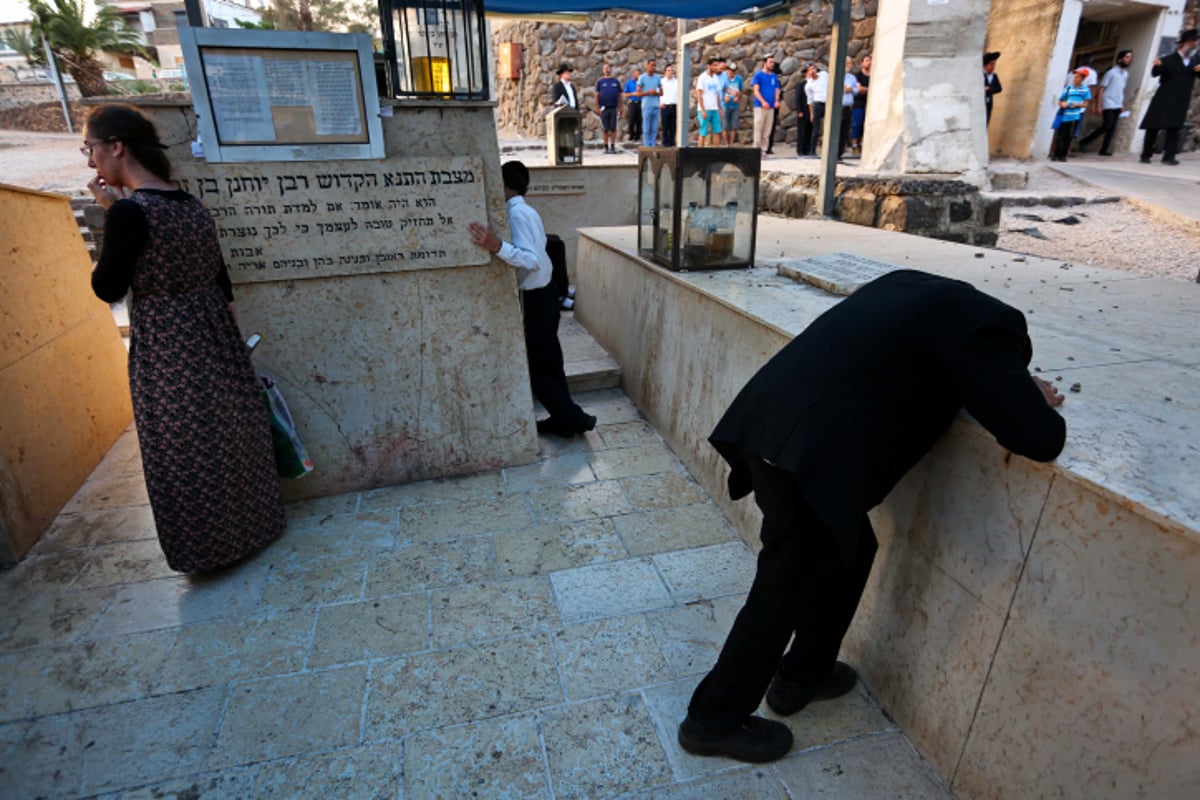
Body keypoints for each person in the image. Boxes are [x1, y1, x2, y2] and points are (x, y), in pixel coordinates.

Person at [677, 269, 1067, 763]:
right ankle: (712, 720)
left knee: (850, 549)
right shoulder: (990, 328)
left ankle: (805, 673)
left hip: (769, 422)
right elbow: (1039, 438)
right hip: (806, 453)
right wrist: (1026, 395)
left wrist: (1000, 381)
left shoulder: (911, 286)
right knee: (785, 582)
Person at [84, 104, 286, 574]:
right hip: (213, 330)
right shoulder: (189, 203)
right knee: (228, 436)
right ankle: (253, 527)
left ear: (116, 147)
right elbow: (220, 277)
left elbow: (107, 288)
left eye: (91, 149)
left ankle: (207, 550)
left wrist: (111, 214)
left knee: (182, 447)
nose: (91, 161)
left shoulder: (130, 213)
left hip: (169, 341)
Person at [467, 162, 596, 438]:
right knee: (550, 363)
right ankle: (563, 420)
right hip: (545, 295)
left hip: (538, 298)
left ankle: (577, 418)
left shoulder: (516, 215)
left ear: (505, 185)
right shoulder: (526, 210)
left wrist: (496, 245)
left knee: (540, 370)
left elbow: (532, 260)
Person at [1139, 28, 1200, 166]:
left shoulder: (1195, 62)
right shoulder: (1168, 59)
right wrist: (1157, 66)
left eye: (1196, 42)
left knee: (1175, 128)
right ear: (1185, 43)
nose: (1195, 45)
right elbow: (1155, 73)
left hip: (1181, 99)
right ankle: (1146, 154)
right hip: (1164, 97)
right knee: (1153, 127)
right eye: (1193, 42)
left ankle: (1169, 156)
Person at [1079, 50, 1132, 156]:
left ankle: (1104, 149)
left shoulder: (1125, 74)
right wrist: (1099, 105)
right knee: (1107, 125)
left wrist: (1122, 105)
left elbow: (1120, 90)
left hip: (1117, 103)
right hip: (1108, 102)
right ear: (1119, 59)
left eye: (1130, 57)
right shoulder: (1111, 73)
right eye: (1127, 57)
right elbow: (1101, 89)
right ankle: (1084, 141)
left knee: (1112, 128)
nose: (1129, 59)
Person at [1051, 68, 1091, 162]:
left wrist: (1077, 105)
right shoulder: (1068, 89)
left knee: (1069, 136)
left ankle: (1063, 155)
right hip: (1065, 114)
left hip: (1076, 115)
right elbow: (1060, 100)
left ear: (1082, 79)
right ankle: (1056, 154)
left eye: (1077, 77)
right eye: (1074, 77)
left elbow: (1086, 104)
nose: (1075, 79)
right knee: (1060, 135)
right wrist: (1063, 104)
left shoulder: (1085, 90)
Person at [751, 55, 781, 155]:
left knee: (767, 130)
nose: (772, 64)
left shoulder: (774, 76)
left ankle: (764, 150)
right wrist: (763, 101)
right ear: (765, 63)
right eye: (770, 62)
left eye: (773, 62)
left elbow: (777, 90)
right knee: (758, 128)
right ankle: (756, 149)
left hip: (771, 107)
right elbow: (756, 90)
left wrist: (776, 100)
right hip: (760, 106)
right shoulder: (758, 75)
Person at [695, 57, 724, 147]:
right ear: (709, 66)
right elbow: (699, 94)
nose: (716, 67)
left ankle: (717, 152)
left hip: (714, 109)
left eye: (717, 65)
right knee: (703, 131)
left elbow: (717, 94)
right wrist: (703, 109)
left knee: (717, 131)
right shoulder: (702, 77)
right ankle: (700, 150)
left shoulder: (716, 78)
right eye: (714, 65)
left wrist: (719, 108)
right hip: (705, 109)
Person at [595, 62, 623, 154]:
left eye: (608, 68)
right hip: (604, 108)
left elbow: (619, 95)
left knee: (613, 128)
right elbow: (596, 95)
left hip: (613, 108)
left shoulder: (615, 81)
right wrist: (597, 108)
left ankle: (613, 147)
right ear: (603, 70)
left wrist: (621, 107)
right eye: (605, 68)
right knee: (605, 129)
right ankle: (606, 147)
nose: (607, 69)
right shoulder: (600, 82)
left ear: (610, 69)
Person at [637, 58, 664, 147]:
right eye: (652, 65)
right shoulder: (642, 78)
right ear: (647, 66)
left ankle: (652, 145)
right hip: (646, 106)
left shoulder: (657, 78)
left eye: (655, 65)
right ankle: (646, 145)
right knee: (646, 128)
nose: (653, 67)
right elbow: (638, 93)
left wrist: (655, 93)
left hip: (655, 105)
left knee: (654, 128)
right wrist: (648, 92)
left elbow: (661, 92)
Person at [838, 57, 859, 160]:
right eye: (848, 63)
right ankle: (834, 152)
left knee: (845, 131)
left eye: (850, 63)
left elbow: (856, 90)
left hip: (847, 107)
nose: (850, 66)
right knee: (837, 130)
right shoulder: (836, 76)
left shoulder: (852, 78)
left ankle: (840, 152)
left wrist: (852, 90)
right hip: (838, 107)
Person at [850, 54, 871, 155]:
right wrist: (870, 89)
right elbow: (859, 89)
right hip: (859, 103)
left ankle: (863, 144)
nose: (869, 62)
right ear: (862, 63)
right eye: (867, 60)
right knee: (857, 124)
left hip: (870, 104)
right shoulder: (857, 76)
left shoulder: (873, 76)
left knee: (866, 125)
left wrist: (865, 89)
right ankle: (854, 145)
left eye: (870, 60)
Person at [807, 63, 829, 155]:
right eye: (810, 69)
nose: (813, 71)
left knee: (829, 126)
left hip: (827, 102)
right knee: (816, 128)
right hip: (817, 104)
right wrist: (811, 113)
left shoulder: (824, 75)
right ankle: (812, 150)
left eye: (814, 68)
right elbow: (810, 100)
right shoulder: (809, 85)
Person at [722, 61, 743, 147]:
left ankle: (731, 144)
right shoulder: (724, 79)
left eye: (734, 71)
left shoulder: (739, 79)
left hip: (735, 105)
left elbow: (741, 91)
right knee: (725, 126)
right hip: (725, 105)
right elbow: (720, 91)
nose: (732, 72)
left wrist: (738, 97)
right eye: (730, 70)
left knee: (734, 126)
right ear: (727, 70)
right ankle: (726, 144)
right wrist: (724, 97)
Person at [660, 64, 679, 147]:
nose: (670, 72)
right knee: (665, 126)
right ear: (665, 72)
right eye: (668, 70)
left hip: (674, 106)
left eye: (671, 70)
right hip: (665, 106)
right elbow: (659, 93)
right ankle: (665, 142)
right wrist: (660, 102)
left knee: (673, 126)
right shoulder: (661, 82)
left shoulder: (677, 82)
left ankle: (672, 141)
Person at [795, 66, 812, 156]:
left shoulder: (815, 84)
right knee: (802, 131)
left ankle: (808, 149)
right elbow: (798, 99)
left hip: (811, 111)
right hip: (804, 110)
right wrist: (799, 111)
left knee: (810, 130)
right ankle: (801, 150)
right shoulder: (801, 85)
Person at [983, 51, 1002, 126]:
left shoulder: (994, 76)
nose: (993, 66)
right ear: (985, 65)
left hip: (988, 104)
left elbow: (999, 88)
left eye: (994, 64)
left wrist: (990, 89)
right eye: (991, 64)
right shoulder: (980, 75)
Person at [624, 68, 642, 142]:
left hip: (640, 103)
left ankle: (638, 136)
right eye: (636, 74)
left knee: (639, 120)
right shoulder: (629, 83)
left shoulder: (642, 83)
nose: (637, 75)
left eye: (639, 74)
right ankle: (631, 134)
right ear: (633, 74)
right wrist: (632, 94)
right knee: (631, 120)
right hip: (632, 103)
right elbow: (625, 94)